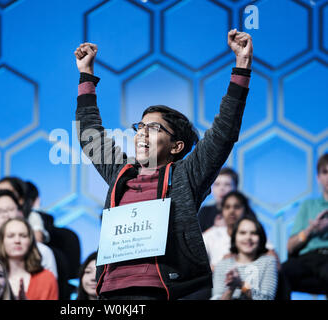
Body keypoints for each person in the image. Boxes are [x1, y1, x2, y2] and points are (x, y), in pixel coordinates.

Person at [74, 29, 253, 300]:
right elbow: (90, 135)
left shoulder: (186, 175)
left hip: (164, 290)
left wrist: (242, 65)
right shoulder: (120, 173)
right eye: (140, 126)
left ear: (176, 146)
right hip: (112, 292)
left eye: (154, 128)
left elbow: (224, 132)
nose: (142, 133)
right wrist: (86, 74)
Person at [0, 190, 57, 279]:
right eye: (0, 211)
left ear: (21, 214)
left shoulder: (42, 252)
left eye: (10, 209)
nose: (6, 215)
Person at [281, 153, 328, 295]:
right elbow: (290, 247)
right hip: (308, 259)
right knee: (279, 273)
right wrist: (311, 229)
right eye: (325, 172)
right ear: (318, 177)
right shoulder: (308, 205)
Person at [202, 190, 276, 270]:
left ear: (245, 210)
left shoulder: (254, 234)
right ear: (222, 211)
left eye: (237, 207)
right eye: (227, 207)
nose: (232, 211)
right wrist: (221, 266)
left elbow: (275, 264)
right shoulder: (212, 235)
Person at [211, 216, 278, 300]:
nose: (248, 237)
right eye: (242, 233)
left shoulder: (268, 262)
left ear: (260, 237)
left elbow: (266, 298)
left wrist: (241, 284)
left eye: (253, 233)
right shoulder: (222, 265)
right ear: (235, 237)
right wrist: (231, 288)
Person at [0, 217, 58, 300]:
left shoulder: (46, 278)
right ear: (2, 242)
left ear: (30, 241)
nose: (17, 240)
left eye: (23, 236)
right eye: (11, 236)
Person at [198, 167, 238, 232]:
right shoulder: (205, 212)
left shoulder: (243, 212)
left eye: (227, 184)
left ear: (235, 188)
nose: (221, 188)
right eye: (217, 184)